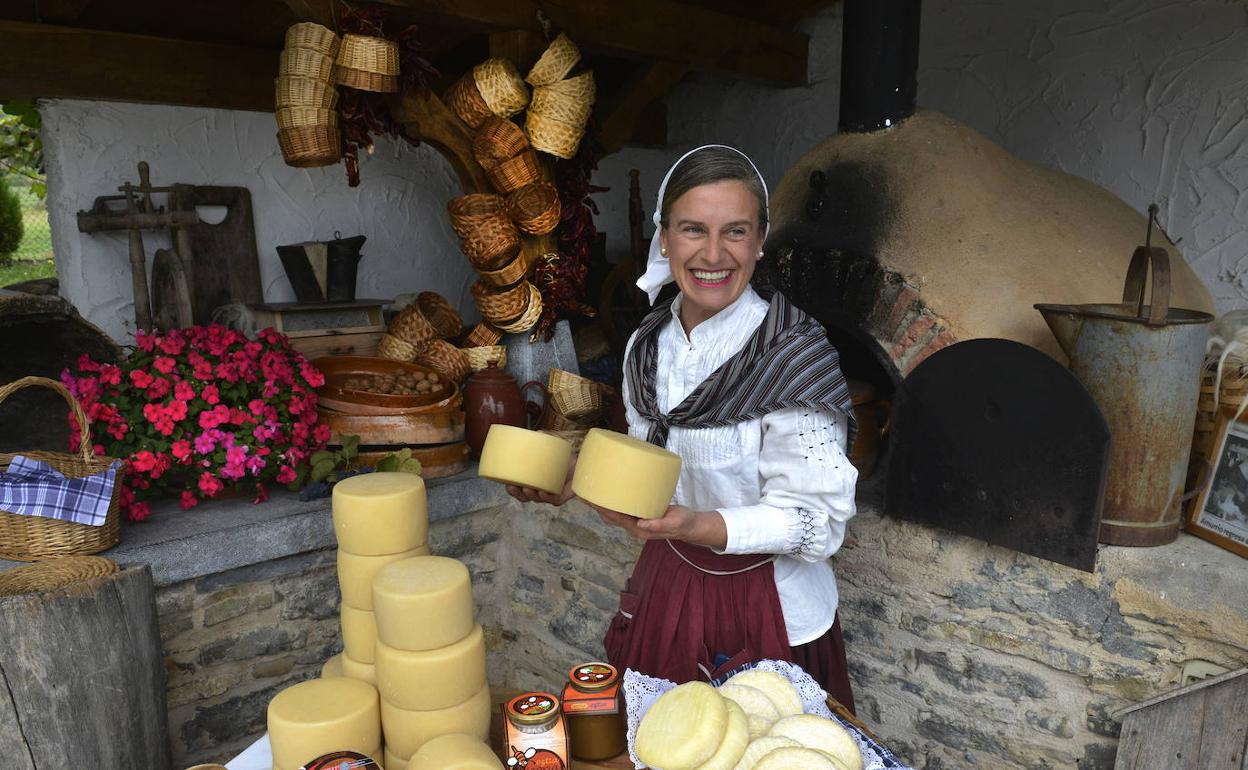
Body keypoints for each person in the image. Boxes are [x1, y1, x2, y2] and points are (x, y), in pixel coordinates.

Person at [507, 145, 859, 710]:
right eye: (693, 229)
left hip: (770, 608)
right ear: (665, 239)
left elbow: (817, 525)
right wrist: (577, 478)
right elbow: (645, 469)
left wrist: (697, 524)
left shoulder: (793, 356)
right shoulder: (647, 347)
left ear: (760, 240)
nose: (713, 254)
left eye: (735, 231)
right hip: (667, 588)